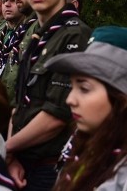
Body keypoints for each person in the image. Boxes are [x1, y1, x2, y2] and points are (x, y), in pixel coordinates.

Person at [6, 0, 91, 191]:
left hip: (51, 167)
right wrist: (12, 154)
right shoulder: (37, 37)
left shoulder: (74, 34)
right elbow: (19, 104)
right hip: (24, 159)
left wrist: (7, 149)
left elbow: (57, 116)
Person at [46, 26, 127, 191]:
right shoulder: (83, 144)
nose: (70, 100)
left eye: (84, 89)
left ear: (121, 97)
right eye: (72, 86)